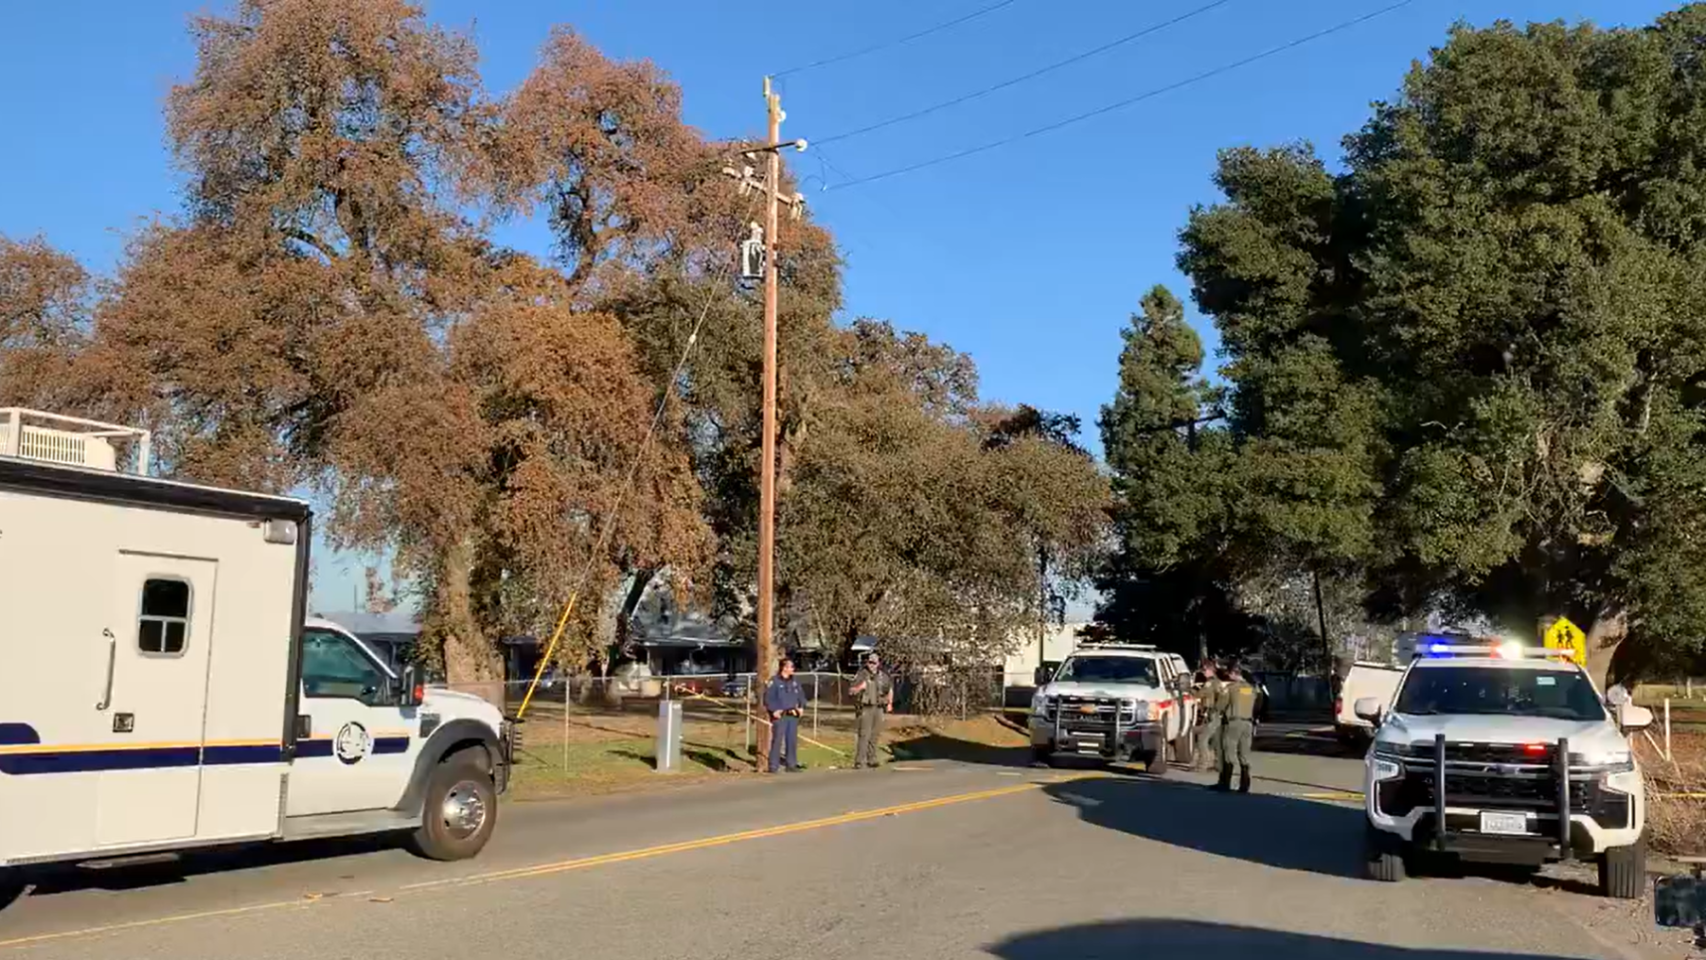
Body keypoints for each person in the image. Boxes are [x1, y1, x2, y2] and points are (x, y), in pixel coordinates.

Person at [1214, 663, 1263, 793]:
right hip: (1248, 723)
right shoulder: (1251, 689)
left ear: (1233, 674)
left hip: (1233, 722)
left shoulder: (1231, 688)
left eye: (1229, 675)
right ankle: (1245, 785)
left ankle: (1225, 783)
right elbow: (1258, 705)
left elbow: (1220, 706)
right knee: (1244, 755)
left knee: (1228, 753)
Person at [848, 651, 893, 769]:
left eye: (874, 662)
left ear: (878, 663)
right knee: (864, 735)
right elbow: (851, 691)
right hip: (865, 708)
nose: (872, 665)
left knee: (875, 735)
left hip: (879, 708)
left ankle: (872, 759)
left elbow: (889, 689)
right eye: (870, 662)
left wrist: (889, 703)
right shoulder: (861, 674)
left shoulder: (883, 676)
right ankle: (859, 761)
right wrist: (860, 687)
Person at [764, 658, 807, 773]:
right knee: (777, 739)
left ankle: (791, 764)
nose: (793, 669)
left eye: (793, 667)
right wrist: (773, 710)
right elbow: (768, 698)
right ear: (784, 668)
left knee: (791, 740)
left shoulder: (795, 681)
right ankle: (773, 765)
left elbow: (801, 695)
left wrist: (801, 706)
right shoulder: (774, 681)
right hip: (780, 715)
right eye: (790, 667)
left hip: (793, 715)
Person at [1192, 658, 1224, 774]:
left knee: (1202, 740)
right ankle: (1219, 765)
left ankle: (1202, 765)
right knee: (1216, 741)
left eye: (1205, 670)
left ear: (1210, 670)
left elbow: (1200, 694)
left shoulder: (1210, 683)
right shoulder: (1218, 682)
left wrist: (1190, 689)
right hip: (1217, 714)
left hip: (1212, 713)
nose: (1203, 672)